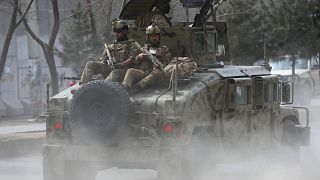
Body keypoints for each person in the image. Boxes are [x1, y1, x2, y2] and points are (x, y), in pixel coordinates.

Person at [80, 19, 142, 84]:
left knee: (115, 72)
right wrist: (97, 60)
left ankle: (102, 86)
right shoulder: (110, 47)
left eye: (118, 31)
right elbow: (102, 61)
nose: (116, 34)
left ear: (125, 31)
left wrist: (120, 65)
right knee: (90, 64)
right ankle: (83, 87)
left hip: (124, 72)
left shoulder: (132, 45)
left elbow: (132, 59)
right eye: (114, 31)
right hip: (111, 69)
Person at [122, 24, 171, 95]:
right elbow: (134, 62)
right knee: (130, 71)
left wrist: (159, 65)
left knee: (156, 72)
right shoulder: (144, 49)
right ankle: (124, 90)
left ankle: (137, 87)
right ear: (148, 37)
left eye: (156, 36)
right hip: (143, 72)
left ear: (159, 37)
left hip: (156, 75)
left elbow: (167, 63)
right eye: (152, 36)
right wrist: (139, 57)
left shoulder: (164, 50)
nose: (154, 38)